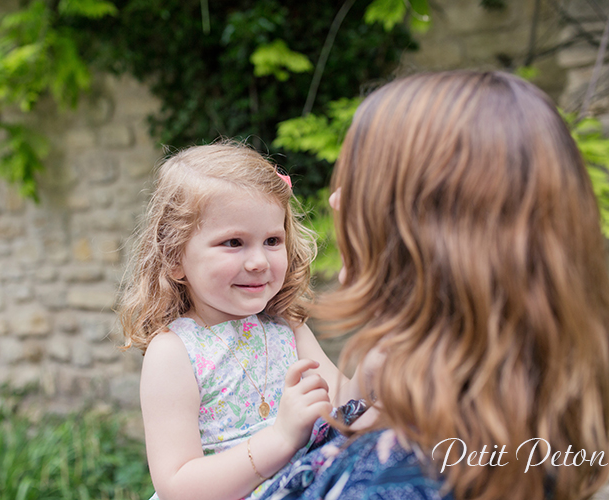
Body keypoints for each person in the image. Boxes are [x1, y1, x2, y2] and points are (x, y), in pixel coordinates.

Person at [256, 70, 609, 500]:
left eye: (361, 184)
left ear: (429, 231)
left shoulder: (400, 480)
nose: (335, 199)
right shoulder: (485, 406)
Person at [119, 142, 362, 500]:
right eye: (234, 242)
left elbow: (347, 407)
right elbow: (176, 485)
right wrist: (280, 439)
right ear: (174, 257)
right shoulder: (174, 351)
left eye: (272, 240)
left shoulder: (286, 327)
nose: (259, 261)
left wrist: (383, 358)